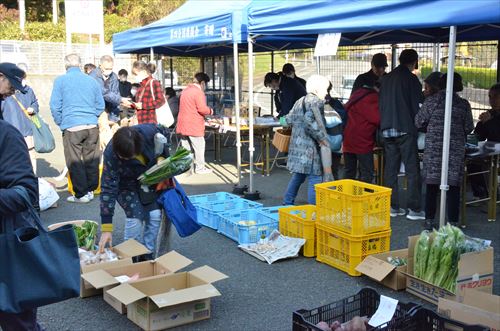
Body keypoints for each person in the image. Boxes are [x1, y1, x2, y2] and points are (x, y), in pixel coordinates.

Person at [0, 63, 42, 331]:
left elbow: (26, 192)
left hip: (6, 249)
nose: (11, 92)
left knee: (18, 320)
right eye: (10, 87)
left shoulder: (5, 135)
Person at [98, 125, 170, 259]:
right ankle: (130, 256)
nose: (128, 159)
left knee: (155, 215)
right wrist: (106, 228)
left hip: (148, 181)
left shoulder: (149, 133)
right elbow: (108, 188)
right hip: (126, 186)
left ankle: (147, 253)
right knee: (135, 217)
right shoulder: (110, 153)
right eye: (124, 158)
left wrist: (162, 156)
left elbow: (165, 133)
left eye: (132, 156)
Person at [415, 73, 473, 228]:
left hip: (433, 150)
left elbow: (418, 121)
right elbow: (469, 127)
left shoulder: (431, 101)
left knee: (432, 186)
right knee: (453, 186)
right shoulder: (463, 104)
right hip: (454, 151)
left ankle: (429, 220)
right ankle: (453, 223)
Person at [50, 54, 105, 203]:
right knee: (92, 158)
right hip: (91, 125)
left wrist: (61, 122)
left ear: (65, 65)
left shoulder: (60, 81)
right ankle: (92, 190)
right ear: (80, 65)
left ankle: (81, 194)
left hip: (72, 125)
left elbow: (55, 106)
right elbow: (100, 105)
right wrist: (93, 116)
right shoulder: (91, 81)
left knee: (74, 160)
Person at [379, 49, 425, 220]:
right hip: (405, 128)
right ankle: (414, 209)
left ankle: (392, 206)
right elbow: (416, 105)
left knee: (390, 169)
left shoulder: (387, 78)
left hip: (387, 128)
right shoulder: (412, 79)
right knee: (412, 169)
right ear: (414, 62)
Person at [283, 75, 331, 205]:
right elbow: (308, 121)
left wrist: (278, 121)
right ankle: (313, 210)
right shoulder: (317, 102)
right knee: (315, 178)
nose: (326, 93)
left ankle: (287, 203)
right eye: (325, 89)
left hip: (297, 148)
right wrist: (322, 139)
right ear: (316, 90)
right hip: (311, 150)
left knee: (298, 176)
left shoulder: (300, 101)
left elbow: (288, 119)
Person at [1, 75, 40, 173]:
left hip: (27, 130)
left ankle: (32, 177)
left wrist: (33, 108)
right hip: (11, 133)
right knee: (13, 157)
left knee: (31, 155)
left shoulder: (28, 90)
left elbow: (34, 102)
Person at [343, 84, 381, 183]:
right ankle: (363, 196)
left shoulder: (357, 94)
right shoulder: (373, 97)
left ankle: (347, 195)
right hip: (363, 141)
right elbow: (377, 119)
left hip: (348, 139)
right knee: (366, 173)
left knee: (349, 172)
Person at [177, 72, 213, 174]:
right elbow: (202, 109)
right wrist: (210, 111)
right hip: (193, 124)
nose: (205, 86)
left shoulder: (185, 90)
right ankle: (200, 168)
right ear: (202, 83)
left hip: (183, 123)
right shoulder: (198, 92)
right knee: (199, 146)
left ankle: (187, 167)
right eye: (206, 84)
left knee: (186, 148)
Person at [468, 83, 500, 199]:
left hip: (495, 153)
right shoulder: (490, 113)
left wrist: (489, 122)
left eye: (496, 96)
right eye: (490, 97)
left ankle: (492, 194)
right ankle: (482, 194)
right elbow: (479, 137)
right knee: (471, 161)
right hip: (491, 152)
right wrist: (481, 123)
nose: (492, 100)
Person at [89, 55, 128, 124]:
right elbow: (104, 93)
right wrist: (120, 99)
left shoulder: (114, 77)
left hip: (109, 112)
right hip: (95, 112)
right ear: (100, 66)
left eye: (111, 68)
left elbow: (115, 95)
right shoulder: (93, 77)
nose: (109, 71)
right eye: (106, 68)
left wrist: (113, 118)